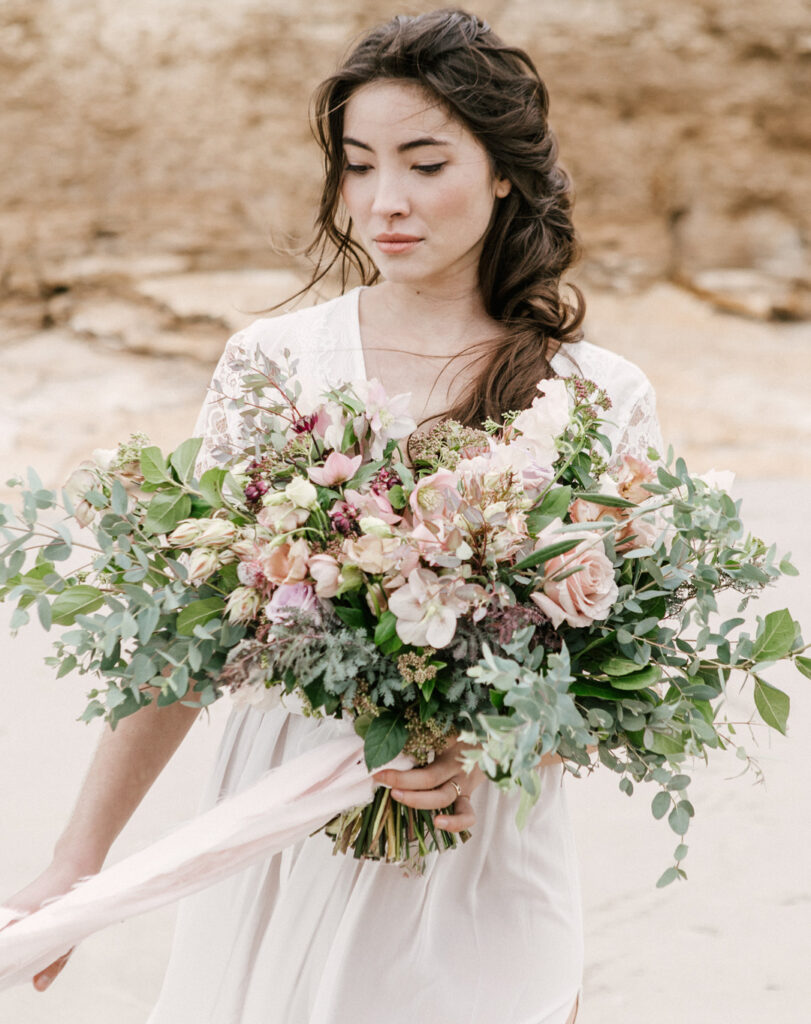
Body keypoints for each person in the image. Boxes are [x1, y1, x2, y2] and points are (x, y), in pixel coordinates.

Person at [6, 9, 662, 1023]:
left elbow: (622, 664)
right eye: (357, 166)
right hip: (288, 817)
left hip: (482, 839)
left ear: (502, 172)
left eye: (424, 162)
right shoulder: (273, 366)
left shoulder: (597, 394)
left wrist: (477, 751)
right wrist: (77, 858)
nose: (383, 201)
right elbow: (194, 627)